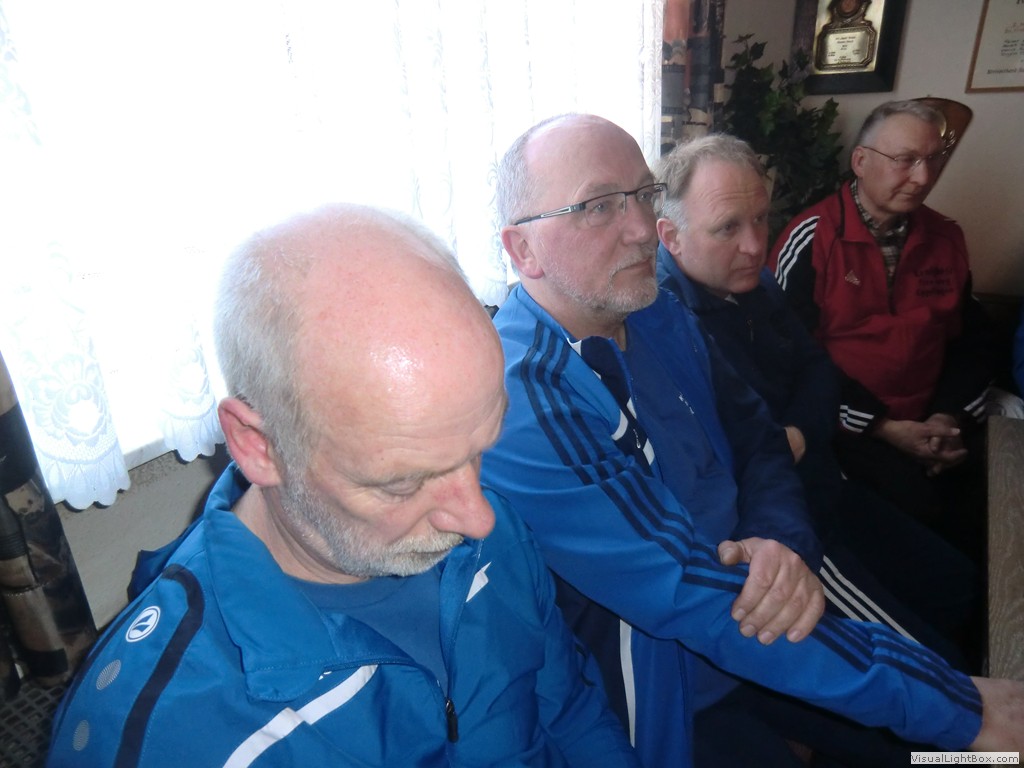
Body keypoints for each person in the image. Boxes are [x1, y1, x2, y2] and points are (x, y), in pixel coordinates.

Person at [480, 112, 1024, 768]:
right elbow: (688, 593)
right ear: (522, 250)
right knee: (949, 725)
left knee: (954, 746)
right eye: (598, 206)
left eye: (645, 195)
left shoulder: (651, 309)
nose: (641, 228)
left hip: (754, 619)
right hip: (673, 680)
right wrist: (955, 707)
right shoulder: (527, 399)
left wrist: (778, 540)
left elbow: (759, 437)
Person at [45, 204, 640, 767]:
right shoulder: (166, 738)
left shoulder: (494, 534)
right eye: (403, 484)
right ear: (258, 445)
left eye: (479, 450)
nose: (479, 517)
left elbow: (571, 712)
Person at [654, 133, 981, 671]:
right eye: (728, 228)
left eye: (761, 219)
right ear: (671, 237)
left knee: (958, 584)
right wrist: (790, 443)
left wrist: (799, 434)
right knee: (931, 665)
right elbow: (736, 454)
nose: (755, 245)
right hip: (778, 525)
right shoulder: (665, 324)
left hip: (823, 483)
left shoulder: (756, 285)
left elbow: (818, 370)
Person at [770, 100, 996, 561]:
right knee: (918, 522)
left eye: (932, 159)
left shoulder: (946, 238)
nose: (923, 177)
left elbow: (969, 342)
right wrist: (884, 427)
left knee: (989, 508)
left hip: (931, 419)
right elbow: (788, 357)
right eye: (905, 160)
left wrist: (946, 420)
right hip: (849, 428)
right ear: (860, 161)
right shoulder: (811, 237)